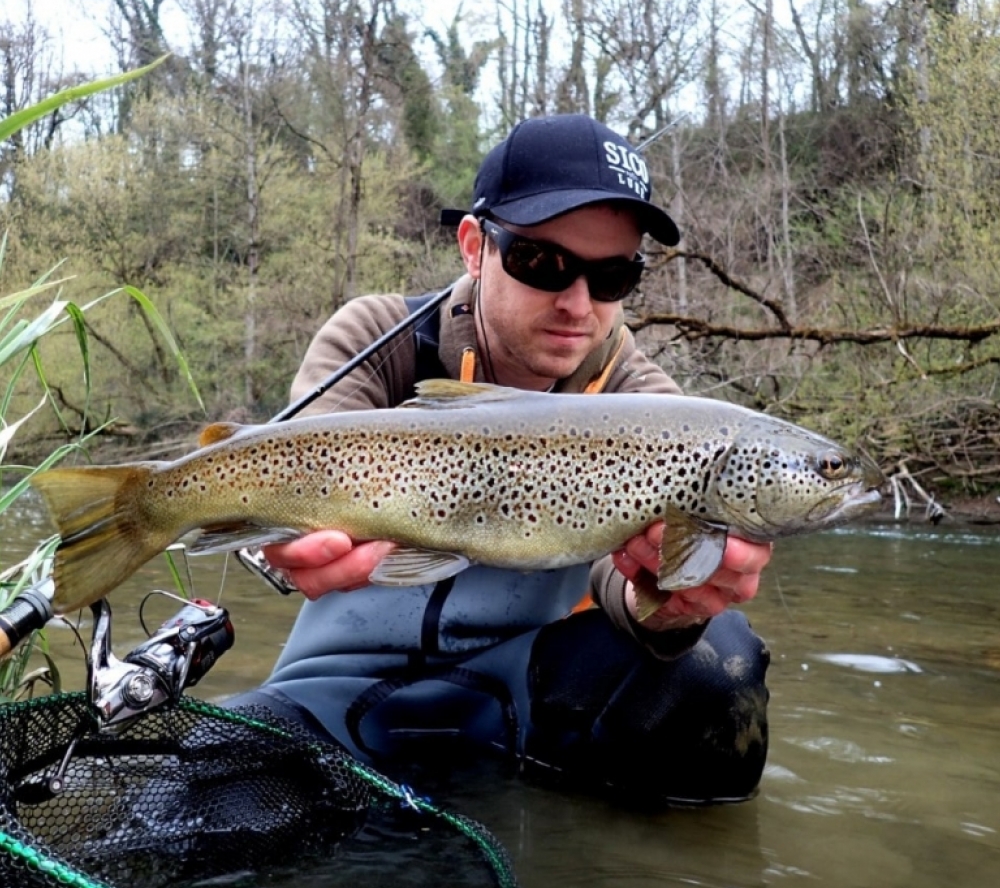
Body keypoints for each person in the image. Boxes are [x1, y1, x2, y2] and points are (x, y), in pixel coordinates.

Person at [230, 114, 772, 806]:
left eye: (613, 275)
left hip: (528, 693)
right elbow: (304, 475)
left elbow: (626, 576)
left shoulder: (649, 410)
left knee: (717, 665)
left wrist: (669, 604)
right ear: (473, 247)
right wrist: (286, 526)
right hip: (338, 685)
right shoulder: (376, 340)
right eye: (542, 263)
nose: (578, 304)